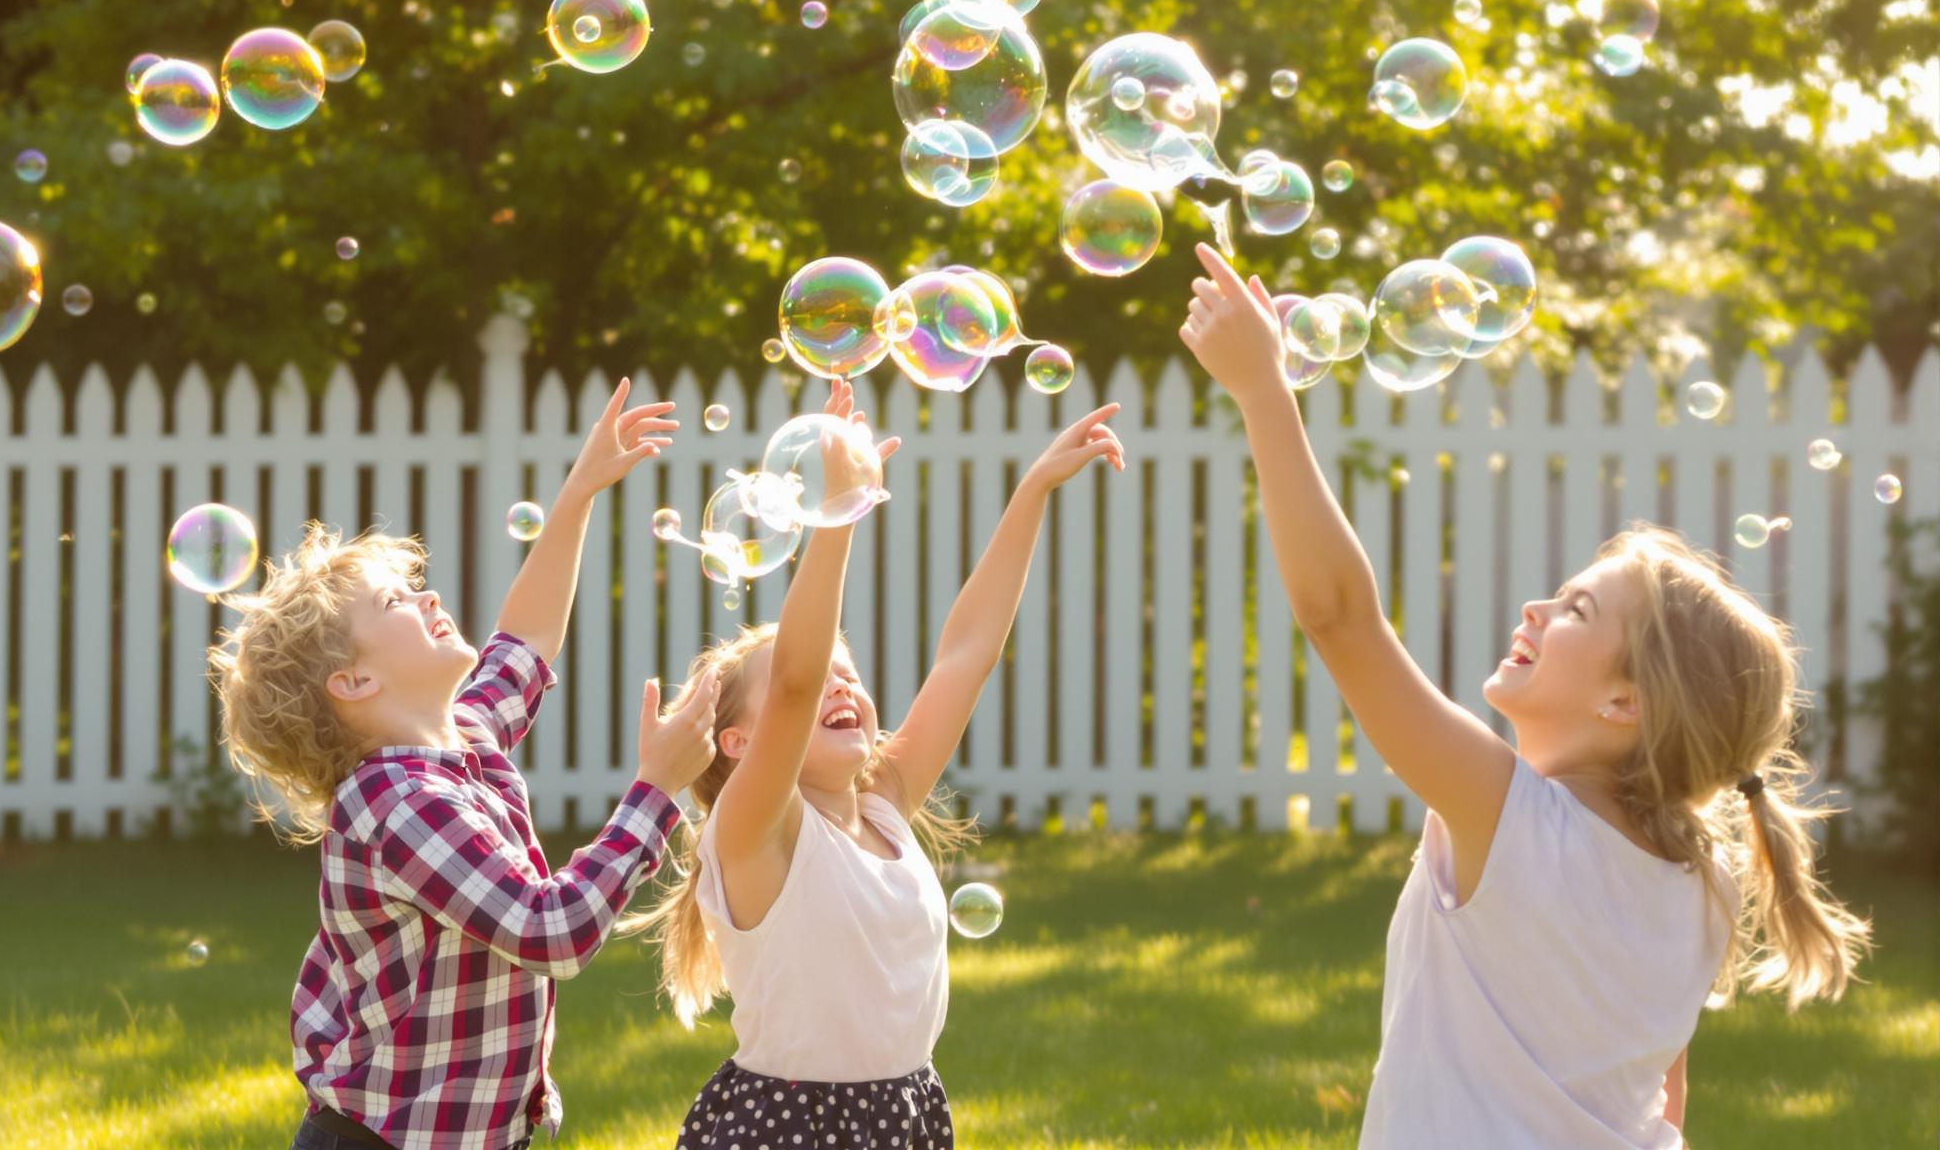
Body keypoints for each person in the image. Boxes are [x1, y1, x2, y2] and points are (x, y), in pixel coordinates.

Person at [1177, 242, 1870, 1149]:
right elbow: (1664, 1094)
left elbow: (1340, 619)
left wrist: (1263, 392)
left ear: (1628, 704)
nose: (1539, 607)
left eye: (1578, 608)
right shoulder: (1708, 872)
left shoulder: (1509, 817)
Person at [209, 381, 720, 1150]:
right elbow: (553, 930)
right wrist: (654, 791)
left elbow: (529, 638)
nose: (429, 597)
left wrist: (579, 490)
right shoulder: (398, 802)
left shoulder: (462, 740)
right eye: (395, 603)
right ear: (353, 684)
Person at [630, 383, 1124, 1149]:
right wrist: (841, 513)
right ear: (738, 744)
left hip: (907, 1113)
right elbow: (793, 685)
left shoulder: (883, 803)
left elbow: (967, 654)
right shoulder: (756, 831)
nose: (841, 683)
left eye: (850, 670)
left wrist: (1032, 491)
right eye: (821, 671)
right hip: (788, 1126)